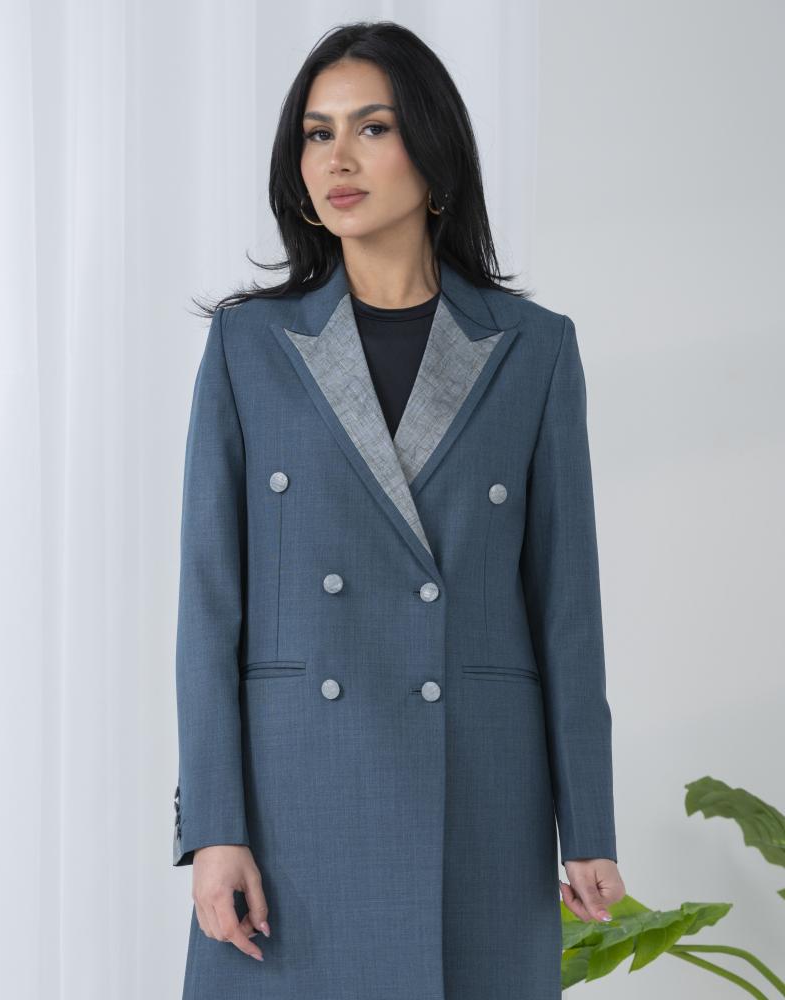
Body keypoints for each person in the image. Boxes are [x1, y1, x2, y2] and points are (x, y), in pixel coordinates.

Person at [172, 19, 626, 1000]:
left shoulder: (532, 349)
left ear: (433, 149)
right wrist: (213, 829)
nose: (336, 159)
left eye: (371, 128)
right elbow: (208, 608)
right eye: (316, 133)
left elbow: (566, 608)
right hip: (294, 803)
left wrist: (588, 825)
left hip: (477, 796)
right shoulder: (249, 348)